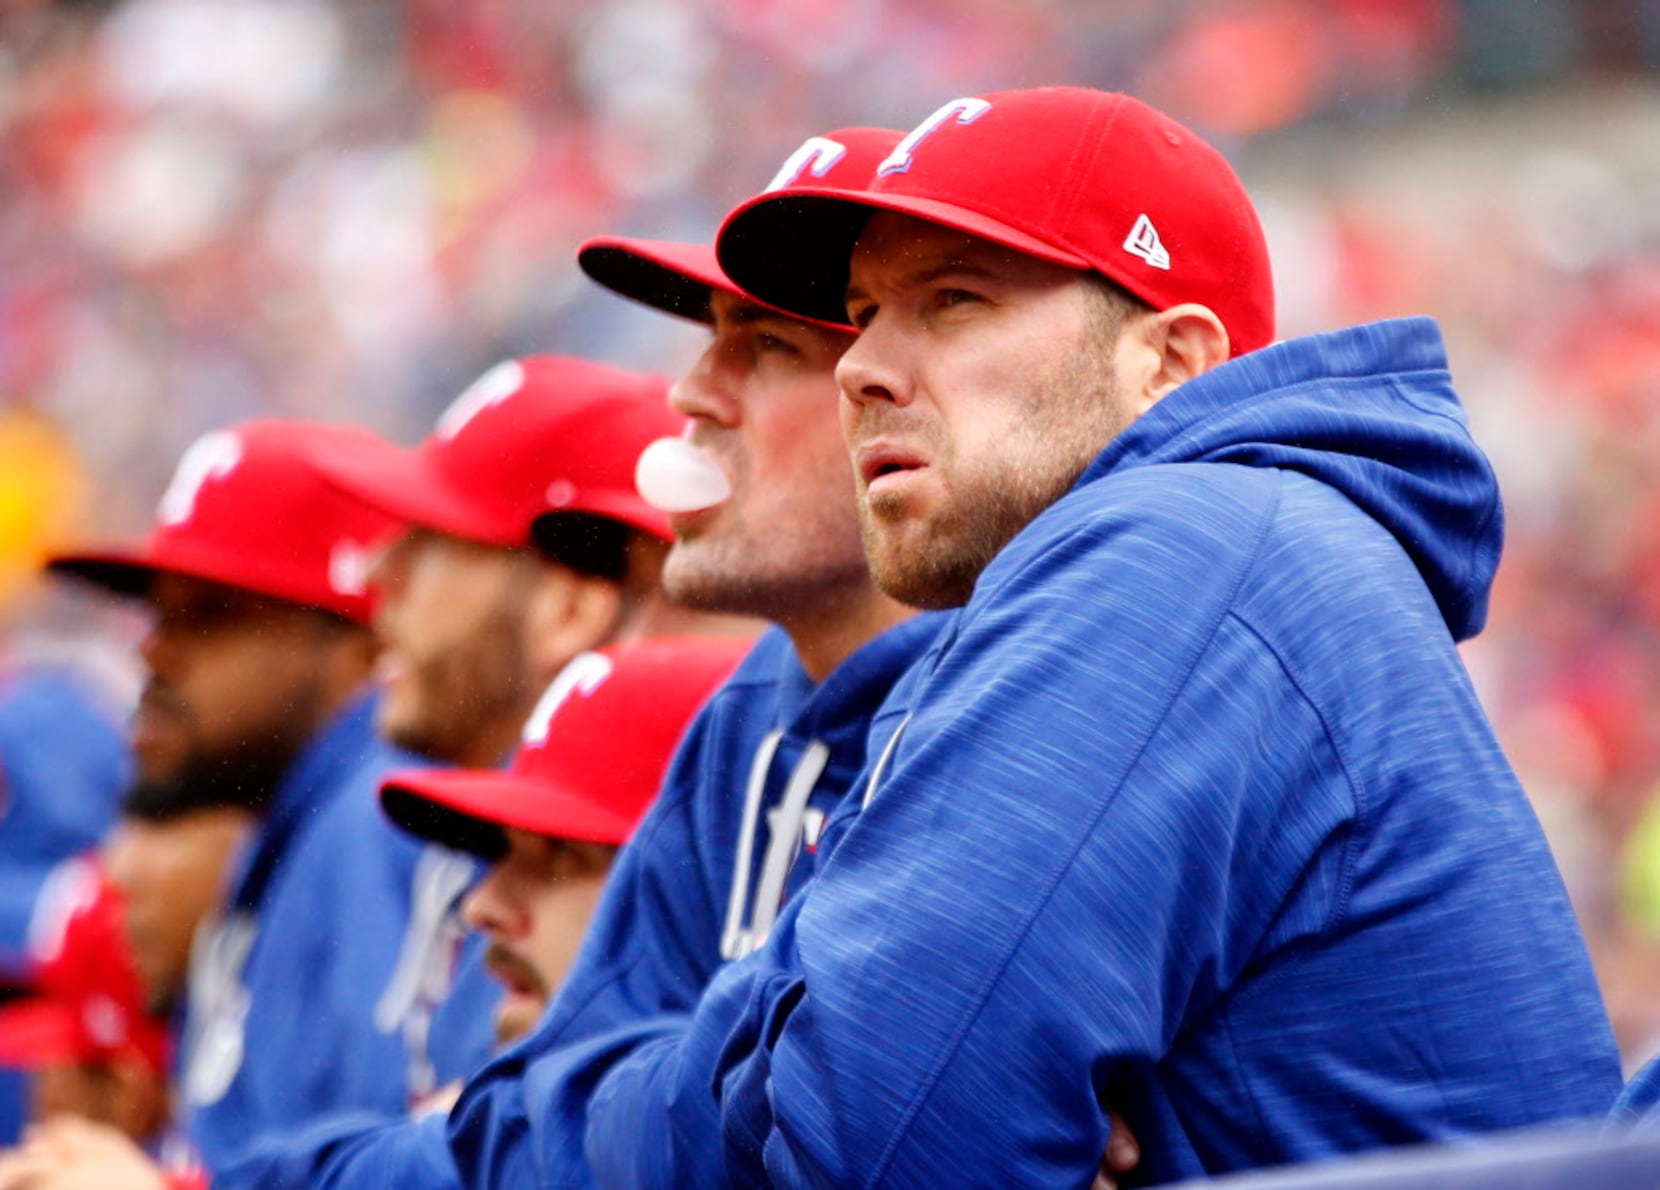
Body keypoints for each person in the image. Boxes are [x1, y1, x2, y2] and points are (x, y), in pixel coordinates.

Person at [576, 84, 1620, 1185]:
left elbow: (868, 1140)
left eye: (955, 299)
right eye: (864, 308)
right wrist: (790, 1029)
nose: (858, 365)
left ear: (1168, 365)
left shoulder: (1186, 546)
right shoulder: (1226, 549)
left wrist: (778, 1039)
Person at [43, 420, 405, 1171]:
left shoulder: (378, 824)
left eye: (210, 613)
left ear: (366, 643)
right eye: (156, 612)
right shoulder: (295, 838)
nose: (152, 649)